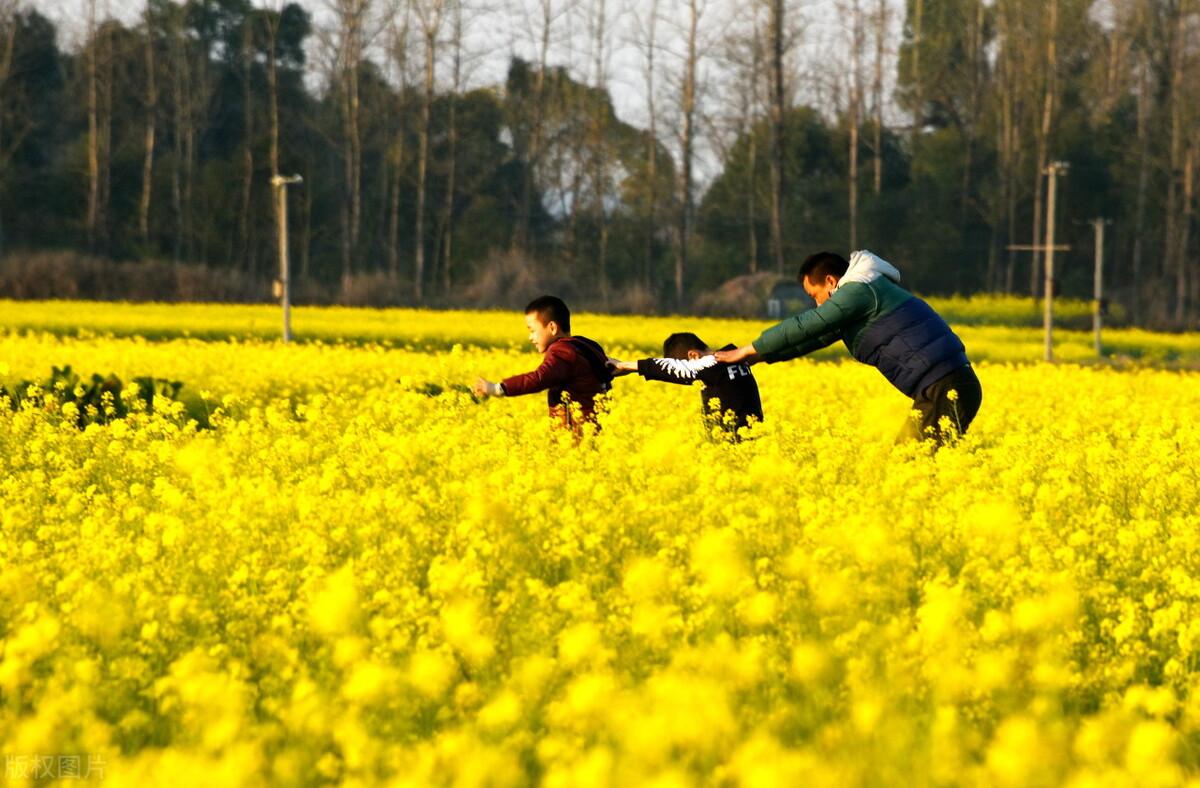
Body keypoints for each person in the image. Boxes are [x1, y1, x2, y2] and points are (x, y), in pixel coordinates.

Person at [714, 250, 982, 445]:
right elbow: (812, 337)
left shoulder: (860, 290)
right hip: (943, 387)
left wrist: (746, 349)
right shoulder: (861, 296)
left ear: (831, 282)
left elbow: (808, 324)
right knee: (914, 465)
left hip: (945, 387)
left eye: (814, 295)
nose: (818, 304)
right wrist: (758, 356)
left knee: (911, 465)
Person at [473, 295, 613, 433]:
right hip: (594, 428)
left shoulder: (561, 351)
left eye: (532, 330)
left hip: (575, 432)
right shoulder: (586, 345)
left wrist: (498, 388)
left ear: (552, 328)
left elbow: (539, 378)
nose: (530, 338)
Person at [608, 332, 763, 439]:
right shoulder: (736, 358)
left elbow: (670, 368)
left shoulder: (714, 362)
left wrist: (625, 365)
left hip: (734, 441)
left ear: (693, 355)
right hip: (754, 436)